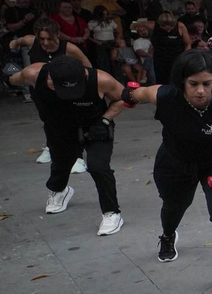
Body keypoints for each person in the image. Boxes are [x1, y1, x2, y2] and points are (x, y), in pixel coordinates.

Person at [121, 50, 212, 294]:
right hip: (175, 162)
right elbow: (138, 93)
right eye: (193, 84)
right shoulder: (166, 96)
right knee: (174, 206)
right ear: (182, 82)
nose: (201, 91)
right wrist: (125, 94)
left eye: (207, 84)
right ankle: (168, 235)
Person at [8, 56, 128, 234]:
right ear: (49, 78)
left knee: (98, 167)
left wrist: (104, 120)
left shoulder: (101, 79)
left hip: (94, 126)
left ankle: (112, 213)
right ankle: (59, 190)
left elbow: (123, 98)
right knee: (61, 162)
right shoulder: (33, 74)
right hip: (58, 127)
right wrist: (8, 77)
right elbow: (13, 78)